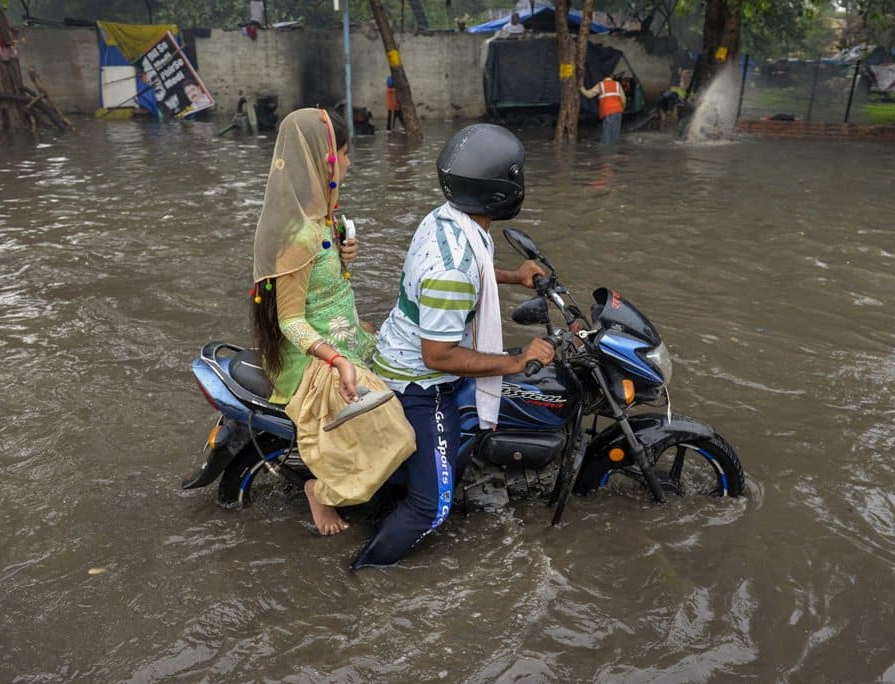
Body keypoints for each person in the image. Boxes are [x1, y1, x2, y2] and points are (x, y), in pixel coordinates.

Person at [351, 123, 555, 569]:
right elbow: (438, 356)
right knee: (432, 509)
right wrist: (517, 361)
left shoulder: (447, 218)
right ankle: (362, 574)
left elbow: (473, 270)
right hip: (420, 383)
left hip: (402, 349)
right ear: (503, 190)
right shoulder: (453, 271)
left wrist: (515, 276)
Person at [251, 108, 415, 536]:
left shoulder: (325, 221)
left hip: (349, 336)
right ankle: (320, 491)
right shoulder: (297, 237)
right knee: (398, 434)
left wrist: (343, 260)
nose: (349, 162)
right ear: (322, 161)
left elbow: (326, 290)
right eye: (343, 153)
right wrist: (336, 362)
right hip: (315, 360)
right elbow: (290, 321)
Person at [580, 72, 627, 144]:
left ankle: (605, 151)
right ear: (612, 76)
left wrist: (581, 88)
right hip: (618, 111)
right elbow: (623, 99)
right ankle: (614, 150)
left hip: (607, 111)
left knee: (606, 134)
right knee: (615, 133)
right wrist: (622, 108)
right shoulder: (617, 84)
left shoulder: (601, 85)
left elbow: (589, 94)